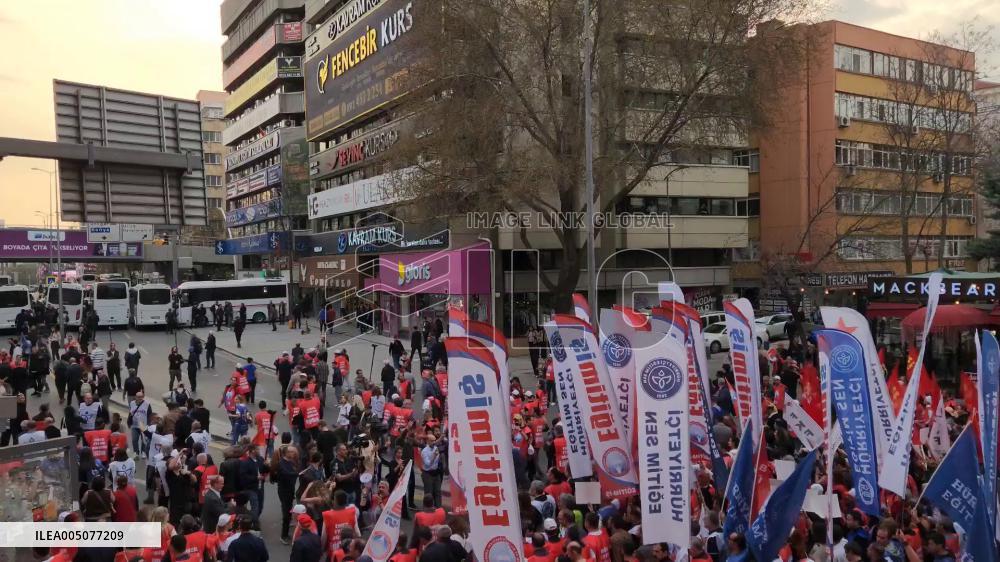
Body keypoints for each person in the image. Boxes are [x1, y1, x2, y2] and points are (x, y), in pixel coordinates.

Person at [419, 434, 443, 507]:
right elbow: (428, 464)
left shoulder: (435, 447)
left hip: (436, 473)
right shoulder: (424, 451)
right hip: (427, 474)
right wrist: (434, 456)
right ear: (428, 441)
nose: (434, 442)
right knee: (429, 493)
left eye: (434, 440)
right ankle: (427, 509)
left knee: (438, 491)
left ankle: (438, 508)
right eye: (432, 441)